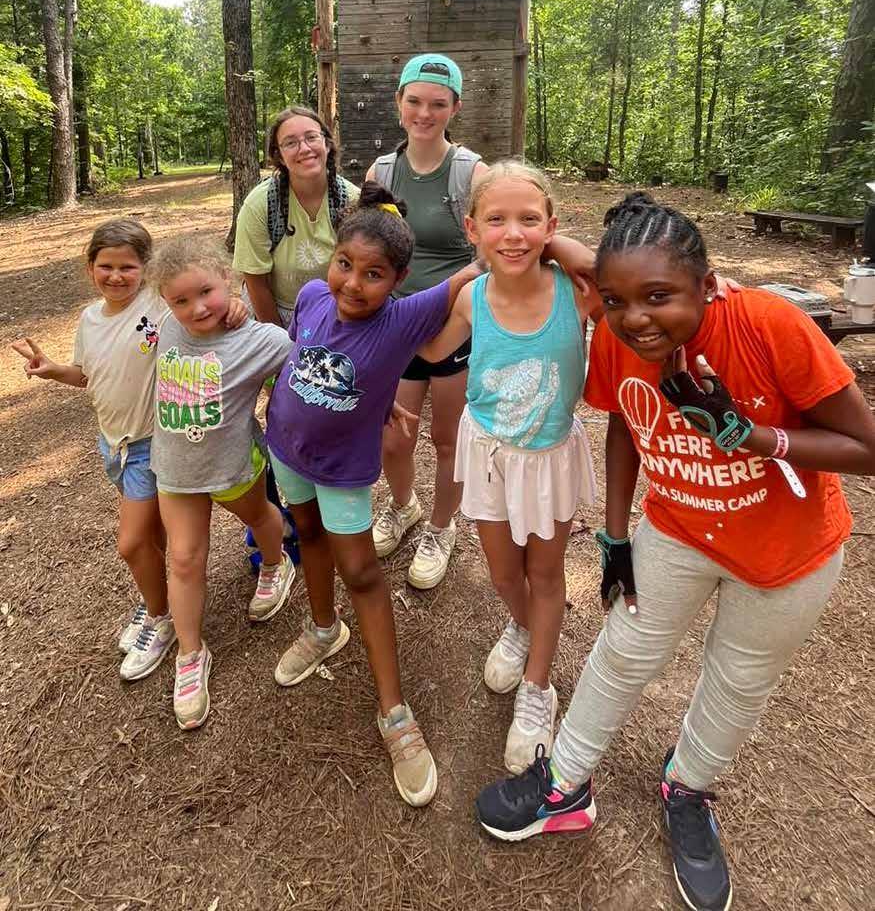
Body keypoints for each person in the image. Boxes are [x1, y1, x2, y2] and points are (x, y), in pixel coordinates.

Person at [475, 193, 875, 911]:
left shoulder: (768, 325)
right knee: (623, 651)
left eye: (658, 297)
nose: (636, 319)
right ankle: (563, 784)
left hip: (787, 554)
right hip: (678, 529)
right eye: (616, 300)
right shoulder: (618, 338)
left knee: (738, 679)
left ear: (707, 284)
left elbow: (865, 448)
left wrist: (751, 435)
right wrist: (615, 535)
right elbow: (624, 425)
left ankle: (687, 787)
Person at [264, 183, 485, 807]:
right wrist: (376, 396)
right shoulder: (313, 296)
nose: (353, 284)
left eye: (373, 274)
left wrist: (535, 233)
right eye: (345, 264)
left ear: (398, 280)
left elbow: (478, 268)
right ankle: (322, 628)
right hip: (286, 448)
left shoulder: (404, 317)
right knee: (307, 536)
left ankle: (394, 710)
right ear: (331, 256)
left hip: (343, 470)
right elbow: (308, 355)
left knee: (361, 571)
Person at [417, 162, 599, 773]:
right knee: (503, 575)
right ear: (472, 229)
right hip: (488, 454)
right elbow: (428, 348)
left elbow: (617, 277)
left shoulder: (576, 293)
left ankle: (538, 686)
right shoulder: (472, 298)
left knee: (545, 574)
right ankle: (522, 627)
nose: (513, 233)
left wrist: (565, 249)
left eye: (529, 220)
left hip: (547, 460)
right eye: (496, 220)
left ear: (551, 226)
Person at [11, 220, 246, 683]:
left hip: (152, 445)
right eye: (106, 266)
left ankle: (160, 618)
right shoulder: (89, 320)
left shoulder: (157, 305)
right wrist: (53, 369)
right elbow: (86, 375)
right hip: (113, 445)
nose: (116, 276)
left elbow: (200, 300)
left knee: (132, 542)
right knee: (151, 538)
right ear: (90, 268)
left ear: (147, 269)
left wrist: (234, 304)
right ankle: (159, 599)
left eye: (128, 267)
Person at [148, 240, 295, 731]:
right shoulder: (166, 327)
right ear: (166, 302)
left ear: (227, 281)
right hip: (176, 471)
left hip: (233, 468)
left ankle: (275, 564)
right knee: (184, 558)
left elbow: (306, 375)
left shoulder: (262, 341)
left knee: (261, 518)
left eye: (206, 292)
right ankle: (191, 654)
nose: (196, 308)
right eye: (181, 300)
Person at [365, 53, 489, 589]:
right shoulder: (381, 173)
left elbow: (490, 254)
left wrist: (449, 301)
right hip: (397, 323)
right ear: (399, 102)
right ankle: (403, 506)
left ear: (455, 108)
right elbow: (371, 249)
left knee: (446, 438)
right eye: (414, 101)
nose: (424, 113)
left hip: (453, 322)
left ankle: (442, 526)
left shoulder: (471, 173)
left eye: (438, 103)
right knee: (394, 435)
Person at [233, 106, 360, 327]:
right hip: (276, 310)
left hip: (336, 311)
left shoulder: (352, 199)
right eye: (291, 143)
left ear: (327, 144)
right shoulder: (260, 205)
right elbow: (255, 281)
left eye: (312, 137)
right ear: (279, 156)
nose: (304, 149)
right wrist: (280, 339)